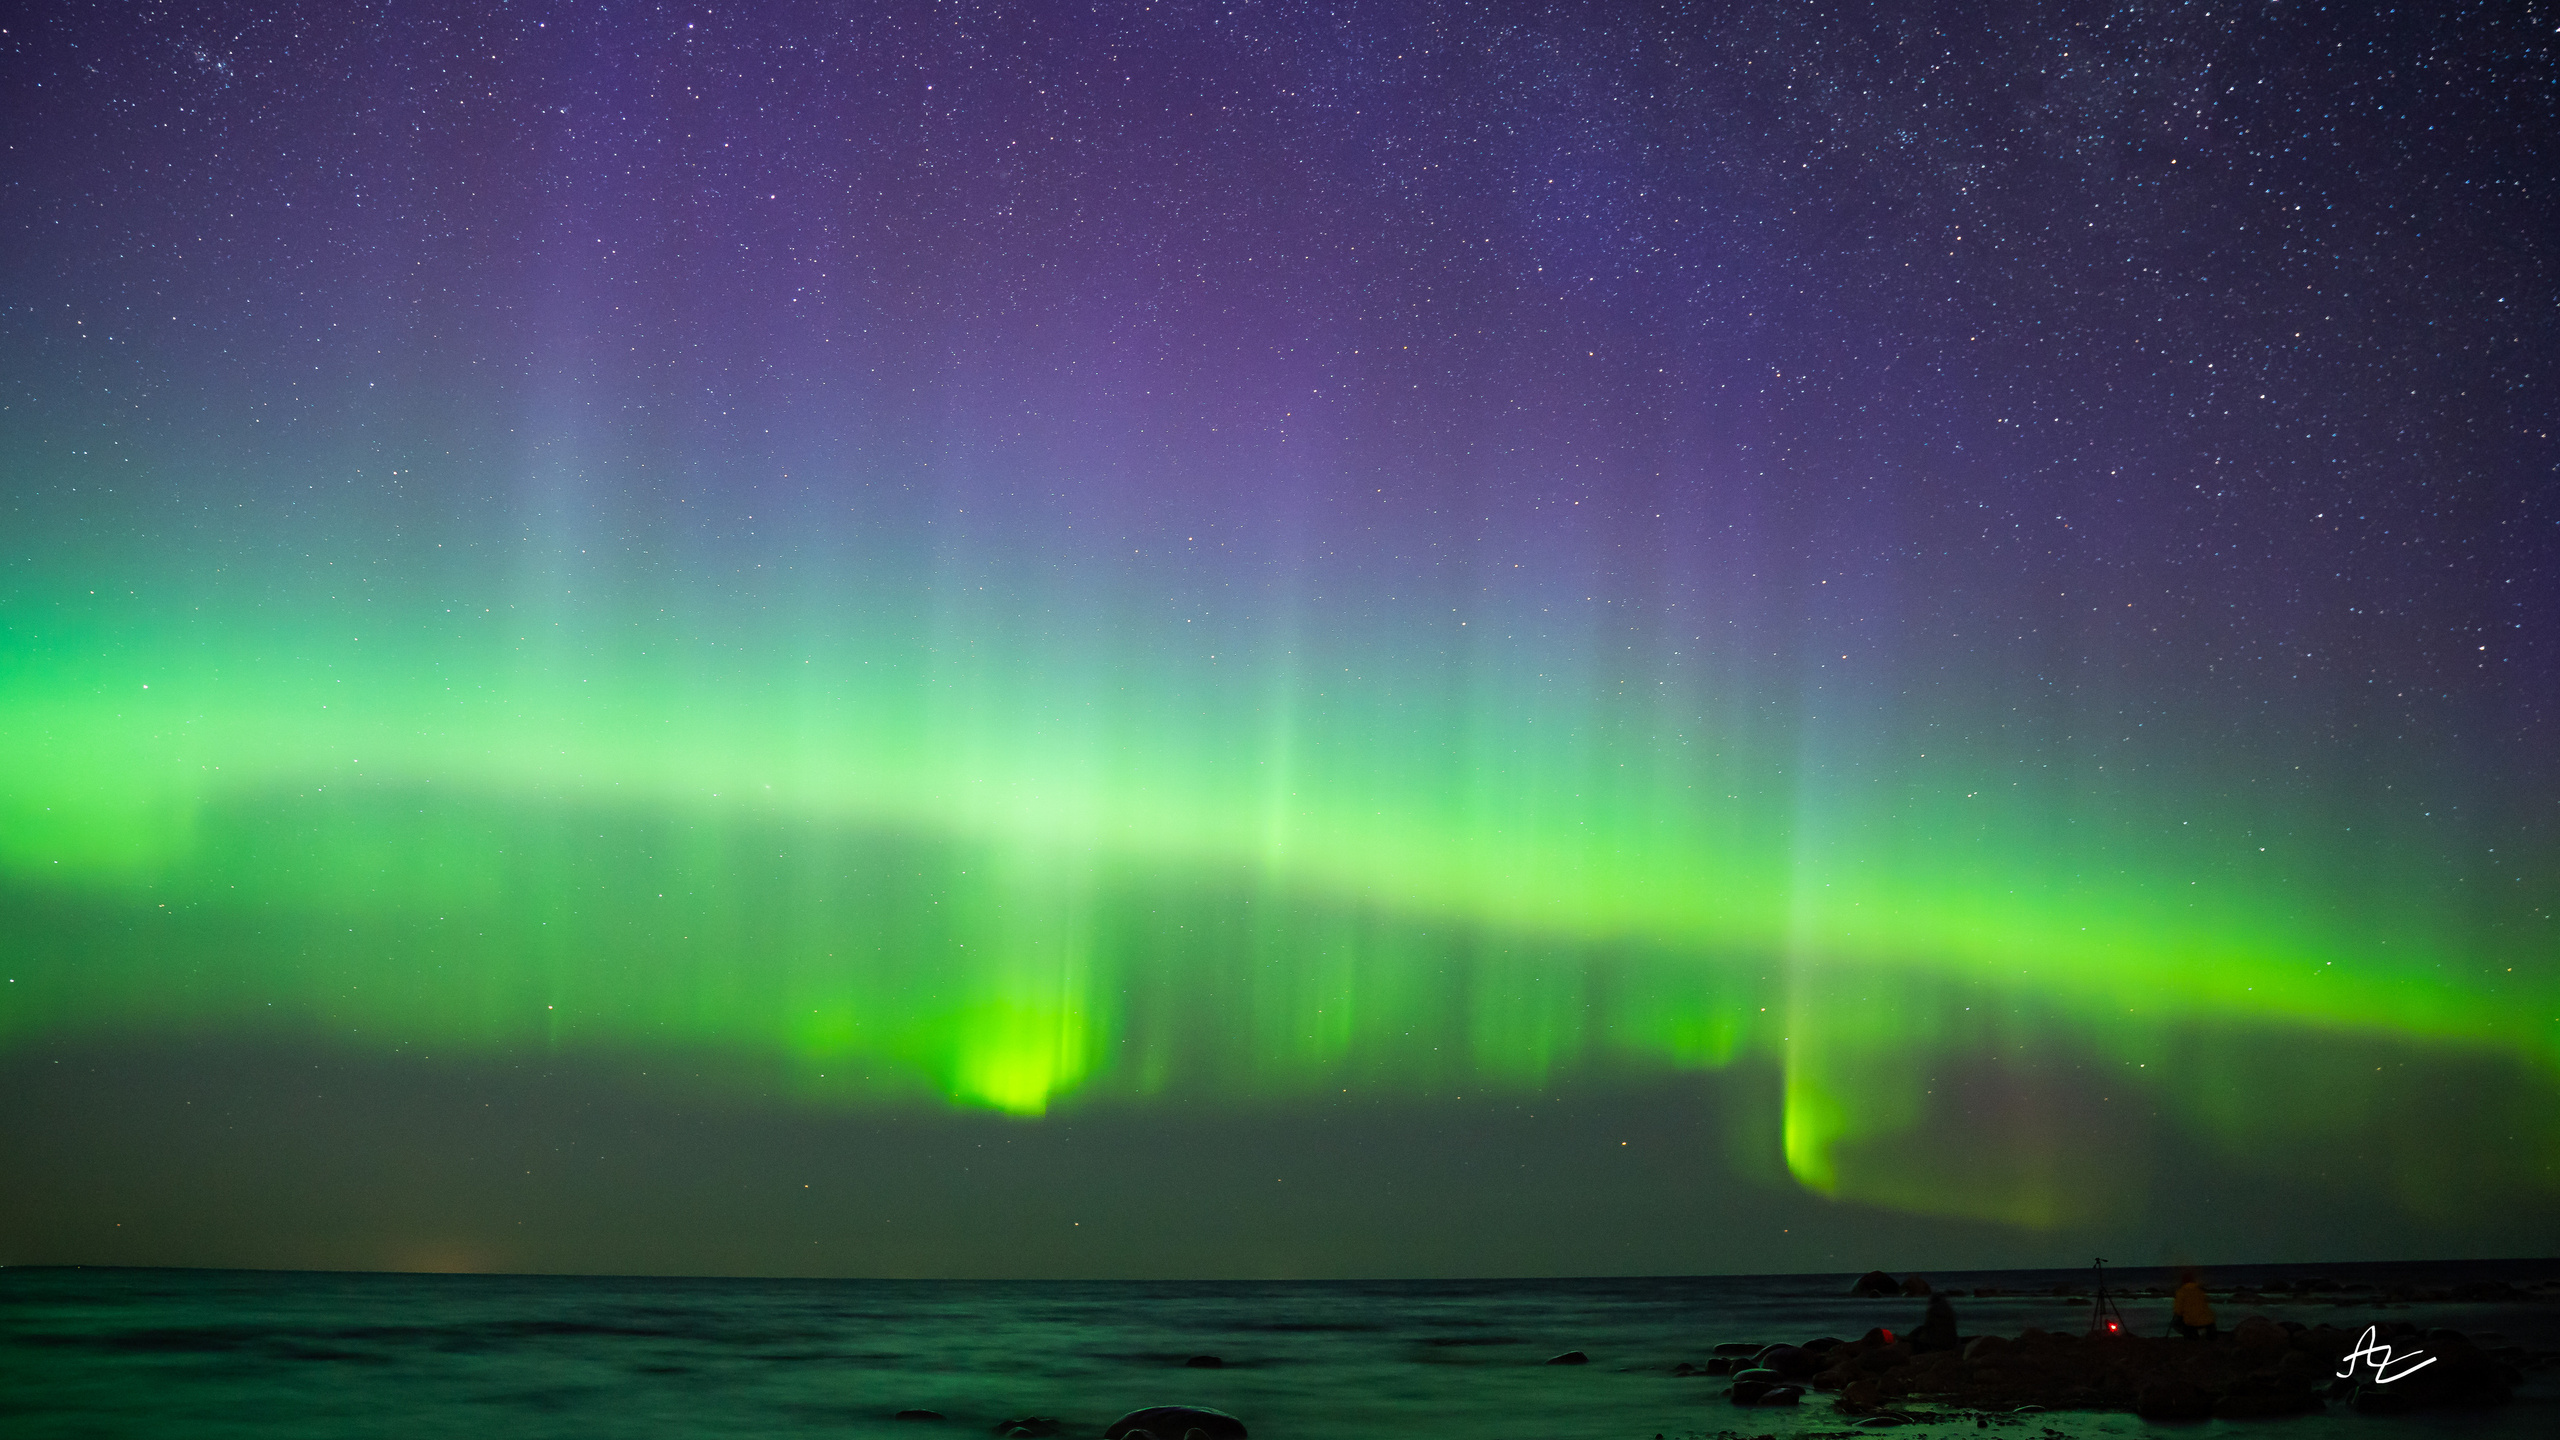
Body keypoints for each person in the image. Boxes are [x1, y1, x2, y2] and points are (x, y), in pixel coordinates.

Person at [2170, 1271, 2219, 1340]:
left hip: (2192, 1323)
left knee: (2176, 1323)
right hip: (2208, 1321)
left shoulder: (2181, 1292)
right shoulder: (2199, 1290)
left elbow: (2178, 1311)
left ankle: (2190, 1335)